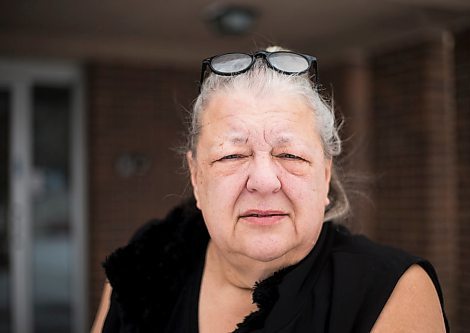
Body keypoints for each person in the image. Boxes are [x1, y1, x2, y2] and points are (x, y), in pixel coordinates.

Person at [92, 47, 449, 332]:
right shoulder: (143, 264)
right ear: (196, 177)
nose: (263, 181)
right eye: (232, 155)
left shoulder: (391, 291)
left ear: (325, 176)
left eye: (290, 154)